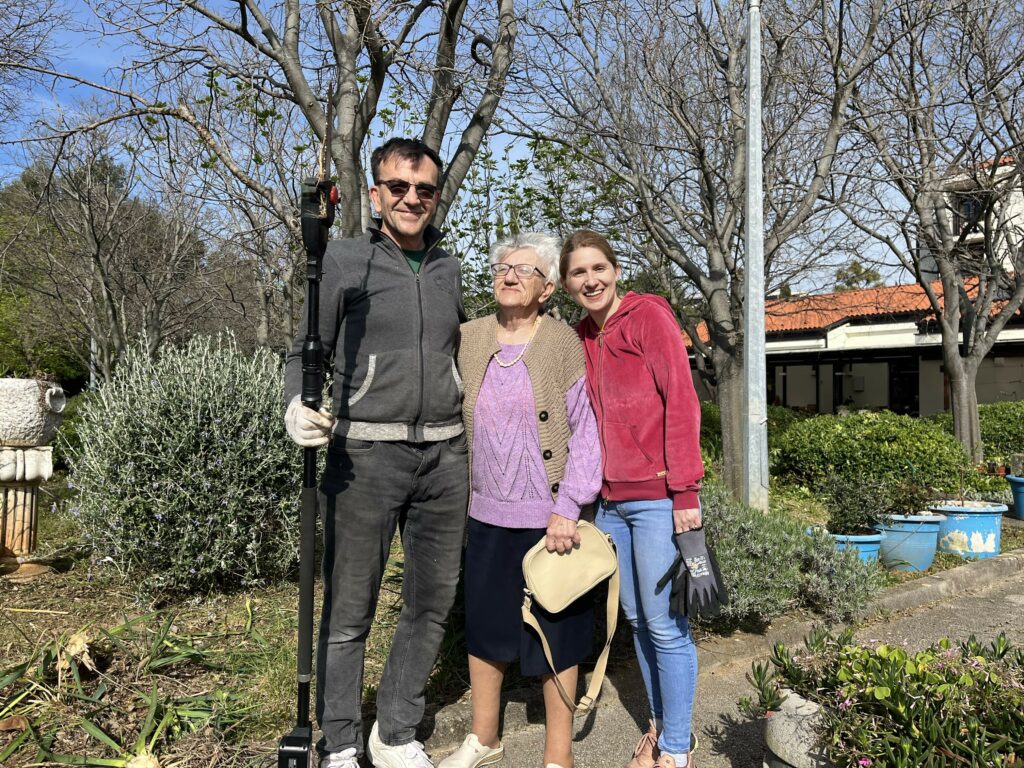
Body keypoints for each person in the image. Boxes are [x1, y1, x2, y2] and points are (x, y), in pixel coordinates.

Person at [284, 137, 469, 768]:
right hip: (363, 456)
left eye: (424, 189)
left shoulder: (448, 268)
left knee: (430, 605)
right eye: (398, 187)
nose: (412, 198)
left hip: (445, 457)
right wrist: (297, 404)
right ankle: (339, 741)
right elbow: (304, 351)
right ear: (376, 194)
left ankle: (394, 733)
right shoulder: (343, 259)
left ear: (436, 195)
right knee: (349, 608)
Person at [440, 233, 602, 768]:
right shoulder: (467, 336)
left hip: (550, 520)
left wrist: (568, 507)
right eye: (502, 267)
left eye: (524, 270)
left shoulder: (561, 343)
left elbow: (586, 432)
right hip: (485, 514)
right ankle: (484, 738)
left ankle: (558, 754)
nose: (509, 276)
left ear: (547, 288)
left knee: (558, 636)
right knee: (485, 631)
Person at [560, 230, 704, 768]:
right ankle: (662, 727)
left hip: (658, 497)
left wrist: (685, 490)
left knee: (665, 623)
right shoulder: (581, 336)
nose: (591, 280)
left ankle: (677, 748)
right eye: (578, 272)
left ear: (616, 270)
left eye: (599, 268)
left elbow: (681, 401)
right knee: (639, 621)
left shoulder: (649, 319)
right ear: (566, 284)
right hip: (610, 504)